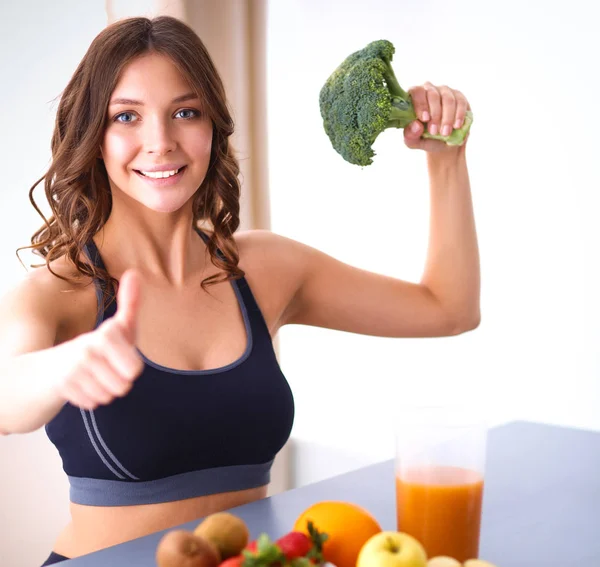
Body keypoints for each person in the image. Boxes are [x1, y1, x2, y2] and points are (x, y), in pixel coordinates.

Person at [0, 15, 480, 567]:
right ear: (94, 136)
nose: (160, 142)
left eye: (185, 112)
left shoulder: (265, 268)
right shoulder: (57, 294)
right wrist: (63, 367)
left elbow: (449, 309)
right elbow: (7, 400)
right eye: (126, 116)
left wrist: (448, 161)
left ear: (213, 127)